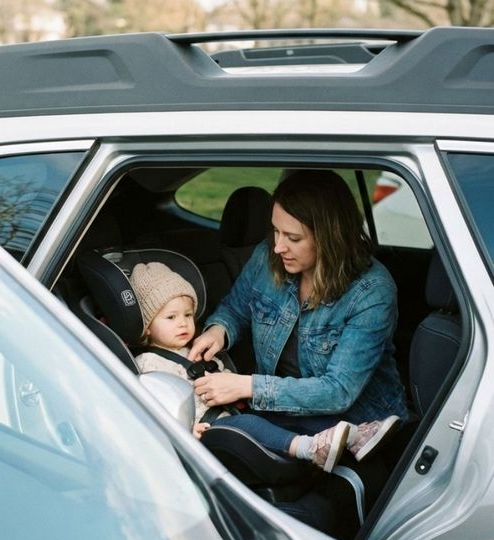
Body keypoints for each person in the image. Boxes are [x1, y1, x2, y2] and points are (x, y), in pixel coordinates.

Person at [188, 168, 407, 468]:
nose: (278, 246)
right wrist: (217, 330)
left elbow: (338, 390)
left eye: (292, 237)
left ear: (330, 238)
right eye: (275, 231)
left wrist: (247, 386)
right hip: (284, 413)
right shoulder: (269, 257)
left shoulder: (371, 291)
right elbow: (237, 308)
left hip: (358, 426)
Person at [130, 260, 357, 471]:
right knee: (249, 424)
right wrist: (184, 430)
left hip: (236, 410)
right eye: (171, 318)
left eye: (188, 315)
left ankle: (353, 436)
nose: (183, 323)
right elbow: (156, 408)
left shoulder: (198, 348)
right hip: (210, 428)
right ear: (147, 327)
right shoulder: (148, 362)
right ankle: (308, 448)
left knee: (286, 415)